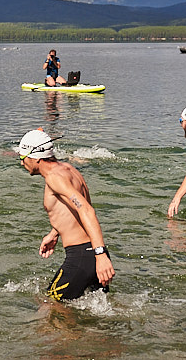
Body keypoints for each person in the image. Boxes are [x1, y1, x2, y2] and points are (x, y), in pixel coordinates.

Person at [18, 128, 115, 301]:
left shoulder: (54, 178)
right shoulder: (68, 169)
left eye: (22, 158)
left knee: (50, 307)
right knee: (96, 319)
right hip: (91, 254)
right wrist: (55, 232)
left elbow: (86, 209)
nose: (21, 163)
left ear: (35, 158)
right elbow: (75, 208)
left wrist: (100, 255)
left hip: (83, 257)